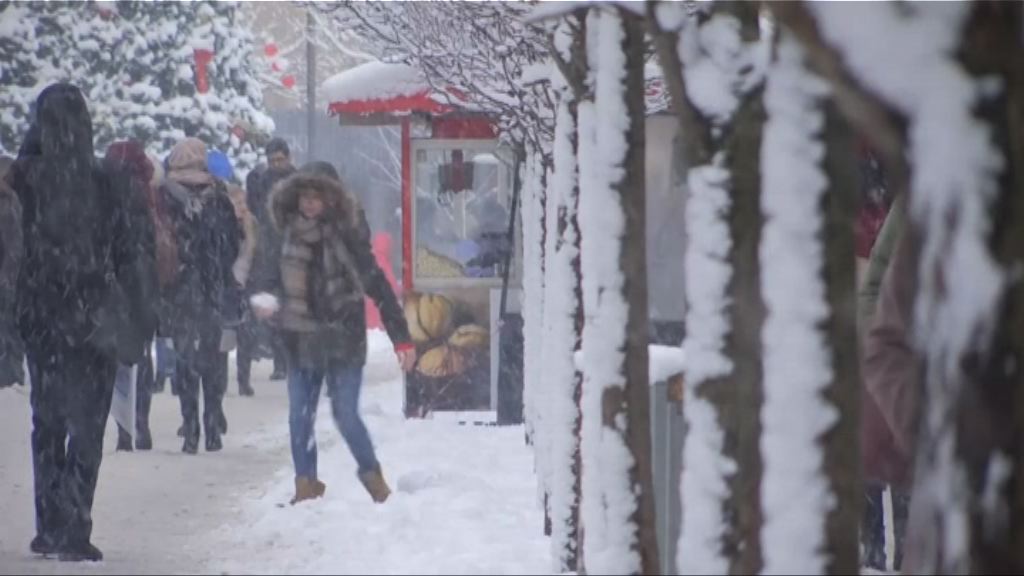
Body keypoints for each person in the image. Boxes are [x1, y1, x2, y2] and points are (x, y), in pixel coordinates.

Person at [6, 83, 148, 561]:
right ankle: (75, 526)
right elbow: (132, 252)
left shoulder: (24, 179)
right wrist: (138, 312)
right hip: (95, 318)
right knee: (88, 425)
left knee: (47, 421)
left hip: (41, 315)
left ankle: (49, 522)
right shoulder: (109, 180)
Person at [252, 161, 416, 505]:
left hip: (343, 338)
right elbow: (267, 277)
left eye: (317, 196)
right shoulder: (285, 236)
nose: (310, 203)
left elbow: (378, 287)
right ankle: (306, 485)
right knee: (299, 416)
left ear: (331, 199)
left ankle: (374, 479)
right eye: (304, 196)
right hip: (301, 339)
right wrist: (266, 299)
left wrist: (400, 338)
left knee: (346, 414)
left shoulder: (347, 238)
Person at [158, 137, 241, 454]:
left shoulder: (166, 196)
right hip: (213, 288)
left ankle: (190, 427)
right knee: (213, 358)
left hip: (178, 288)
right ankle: (212, 425)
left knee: (185, 359)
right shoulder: (218, 196)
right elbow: (232, 244)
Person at [104, 141, 161, 452]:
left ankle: (123, 425)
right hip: (141, 287)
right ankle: (141, 420)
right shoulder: (147, 194)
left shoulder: (102, 192)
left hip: (112, 288)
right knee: (141, 356)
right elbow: (150, 246)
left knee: (115, 361)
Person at [240, 138, 294, 387]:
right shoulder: (261, 181)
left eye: (280, 160)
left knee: (287, 308)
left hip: (290, 251)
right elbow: (254, 211)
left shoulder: (297, 181)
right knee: (270, 307)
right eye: (272, 161)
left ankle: (285, 360)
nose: (276, 165)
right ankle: (276, 358)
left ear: (288, 158)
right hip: (268, 252)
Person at [208, 149, 258, 396]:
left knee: (246, 337)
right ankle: (221, 382)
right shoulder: (223, 225)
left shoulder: (252, 225)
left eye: (242, 203)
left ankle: (243, 379)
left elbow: (258, 254)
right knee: (225, 337)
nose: (240, 207)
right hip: (228, 286)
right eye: (235, 203)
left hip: (247, 285)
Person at [0, 156, 24, 388]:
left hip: (6, 280)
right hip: (8, 279)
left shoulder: (7, 203)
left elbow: (14, 246)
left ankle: (12, 376)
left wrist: (7, 279)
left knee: (8, 328)